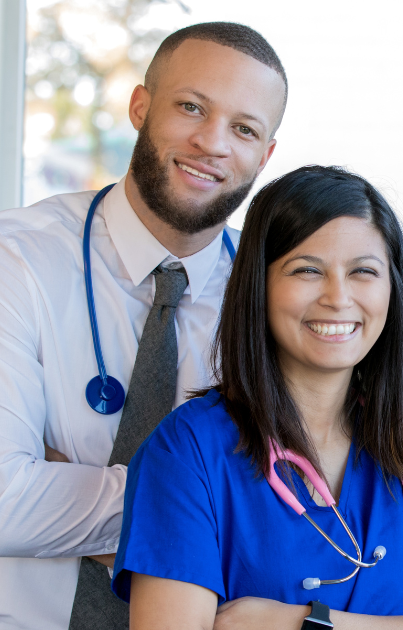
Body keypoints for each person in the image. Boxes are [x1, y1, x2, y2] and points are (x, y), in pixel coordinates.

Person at [112, 166, 403, 628]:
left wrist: (302, 623)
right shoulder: (187, 452)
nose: (338, 297)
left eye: (364, 272)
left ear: (392, 289)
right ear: (259, 286)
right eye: (307, 270)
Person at [0, 22, 286, 629]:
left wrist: (60, 475)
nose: (213, 142)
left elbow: (289, 520)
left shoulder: (276, 301)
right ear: (139, 106)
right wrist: (197, 506)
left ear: (266, 155)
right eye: (191, 107)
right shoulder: (16, 259)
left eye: (244, 128)